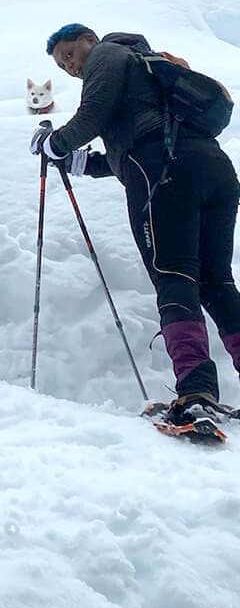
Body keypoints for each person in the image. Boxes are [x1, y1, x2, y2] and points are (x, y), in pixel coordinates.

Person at [32, 23, 240, 423]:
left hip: (165, 177)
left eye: (71, 54)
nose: (71, 66)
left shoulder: (106, 56)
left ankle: (197, 390)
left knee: (173, 275)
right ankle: (203, 385)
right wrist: (84, 164)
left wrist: (53, 144)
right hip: (213, 170)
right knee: (216, 282)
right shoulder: (145, 64)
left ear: (89, 40)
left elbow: (92, 118)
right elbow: (139, 140)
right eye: (63, 65)